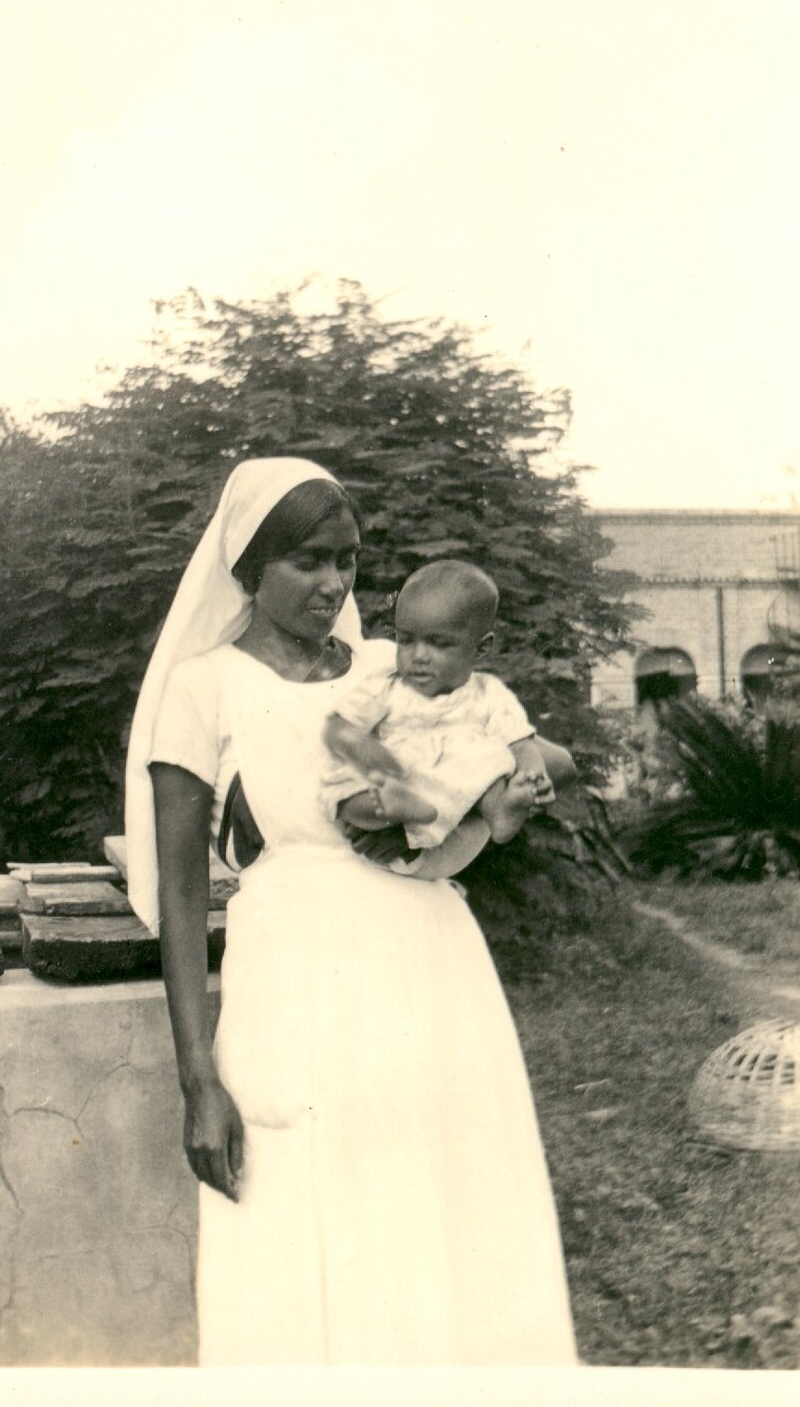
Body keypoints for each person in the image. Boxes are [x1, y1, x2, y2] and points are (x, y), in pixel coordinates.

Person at [125, 457, 578, 1366]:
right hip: (297, 970)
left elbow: (492, 767)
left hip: (428, 962)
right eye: (308, 562)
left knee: (440, 1208)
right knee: (305, 1209)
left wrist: (511, 782)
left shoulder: (390, 668)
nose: (334, 584)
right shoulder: (205, 687)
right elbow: (179, 894)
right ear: (249, 567)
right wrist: (197, 1080)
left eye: (350, 561)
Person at [322, 558, 556, 857]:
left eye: (439, 644)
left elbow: (521, 745)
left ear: (480, 648)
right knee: (343, 790)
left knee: (489, 759)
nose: (418, 655)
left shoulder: (488, 693)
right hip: (394, 776)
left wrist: (533, 779)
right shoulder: (385, 686)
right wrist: (364, 748)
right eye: (406, 641)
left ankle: (501, 811)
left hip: (450, 783)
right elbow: (338, 726)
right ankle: (391, 809)